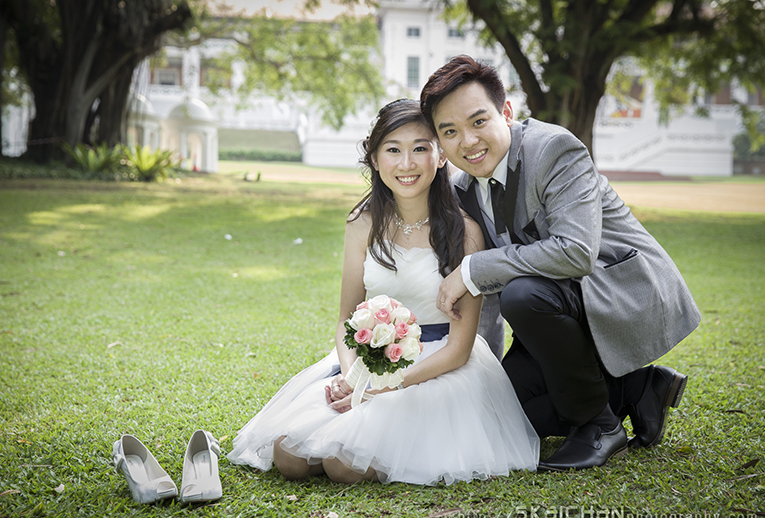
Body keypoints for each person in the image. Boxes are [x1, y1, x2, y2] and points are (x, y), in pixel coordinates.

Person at [227, 99, 540, 485]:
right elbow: (346, 317)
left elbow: (459, 348)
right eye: (393, 149)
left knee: (344, 465)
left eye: (420, 148)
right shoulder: (362, 223)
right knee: (289, 456)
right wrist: (353, 374)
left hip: (437, 368)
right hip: (366, 360)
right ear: (375, 159)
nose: (406, 164)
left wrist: (384, 386)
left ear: (440, 157)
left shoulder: (465, 232)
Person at [419, 56, 701, 472]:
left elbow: (575, 252)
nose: (468, 141)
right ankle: (635, 389)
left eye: (479, 121)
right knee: (505, 412)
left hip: (618, 292)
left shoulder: (554, 149)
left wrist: (472, 270)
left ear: (507, 113)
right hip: (562, 317)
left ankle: (599, 426)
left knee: (524, 293)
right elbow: (487, 297)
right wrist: (484, 371)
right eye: (450, 131)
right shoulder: (462, 190)